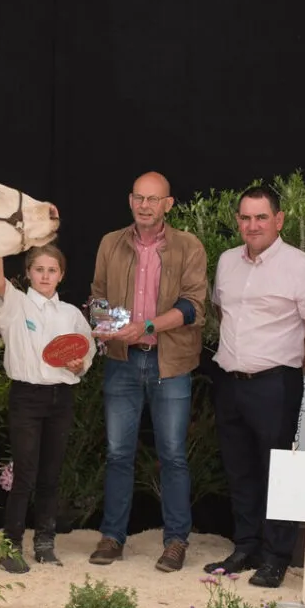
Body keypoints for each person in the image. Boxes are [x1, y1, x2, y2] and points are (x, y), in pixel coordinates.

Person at [88, 171, 207, 573]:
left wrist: (148, 326)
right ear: (130, 200)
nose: (145, 206)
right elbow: (98, 296)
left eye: (153, 199)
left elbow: (194, 307)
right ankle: (112, 536)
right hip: (122, 361)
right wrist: (104, 323)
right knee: (117, 453)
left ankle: (175, 541)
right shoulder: (110, 243)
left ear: (168, 205)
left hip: (169, 363)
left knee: (172, 455)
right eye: (139, 198)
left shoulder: (189, 246)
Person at [203, 186, 305, 588]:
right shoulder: (226, 262)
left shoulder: (300, 266)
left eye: (260, 217)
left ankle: (275, 557)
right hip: (231, 381)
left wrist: (289, 372)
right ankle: (246, 546)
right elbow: (224, 313)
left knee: (278, 474)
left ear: (279, 220)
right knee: (240, 471)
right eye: (245, 217)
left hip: (276, 384)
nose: (251, 225)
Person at [0, 245, 95, 573]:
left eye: (52, 270)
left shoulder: (72, 314)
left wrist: (77, 366)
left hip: (61, 399)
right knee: (25, 475)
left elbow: (84, 358)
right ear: (28, 273)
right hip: (26, 399)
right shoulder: (16, 305)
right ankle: (11, 546)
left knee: (51, 473)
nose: (45, 276)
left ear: (61, 275)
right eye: (39, 270)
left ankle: (45, 542)